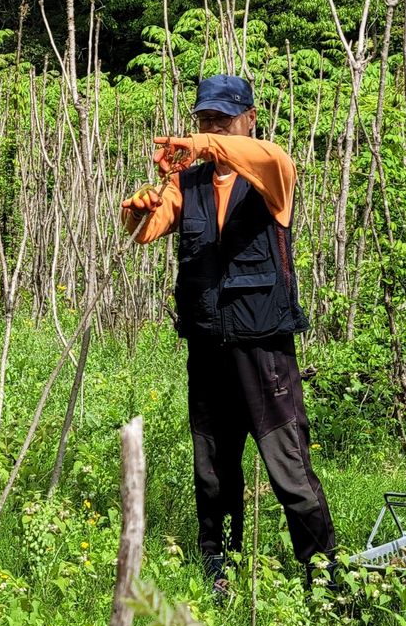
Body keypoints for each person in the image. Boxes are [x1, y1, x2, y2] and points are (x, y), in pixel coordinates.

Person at [121, 74, 336, 593]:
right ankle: (220, 571)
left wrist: (201, 144)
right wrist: (138, 209)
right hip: (207, 348)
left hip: (264, 351)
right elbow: (145, 231)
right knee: (213, 471)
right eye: (204, 118)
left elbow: (267, 157)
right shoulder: (188, 182)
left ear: (250, 119)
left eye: (223, 118)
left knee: (290, 471)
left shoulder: (272, 171)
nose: (212, 126)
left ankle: (328, 578)